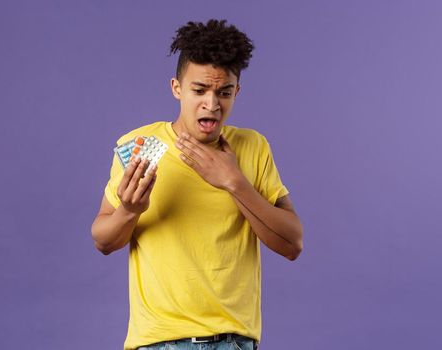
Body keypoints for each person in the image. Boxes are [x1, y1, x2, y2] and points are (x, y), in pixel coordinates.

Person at [91, 19, 303, 350]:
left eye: (224, 92)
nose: (212, 104)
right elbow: (102, 240)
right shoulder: (142, 146)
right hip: (159, 341)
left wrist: (234, 182)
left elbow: (292, 244)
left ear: (237, 91)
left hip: (233, 341)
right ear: (177, 88)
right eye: (199, 90)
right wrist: (129, 211)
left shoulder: (252, 147)